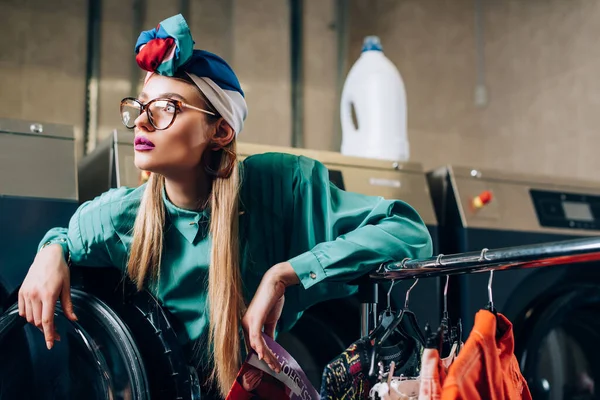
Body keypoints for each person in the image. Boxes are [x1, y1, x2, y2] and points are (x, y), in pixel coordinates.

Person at [17, 14, 432, 399]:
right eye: (139, 108)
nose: (142, 122)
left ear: (221, 130)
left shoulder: (280, 189)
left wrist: (283, 275)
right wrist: (50, 251)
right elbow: (67, 239)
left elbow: (408, 233)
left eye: (166, 109)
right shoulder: (118, 217)